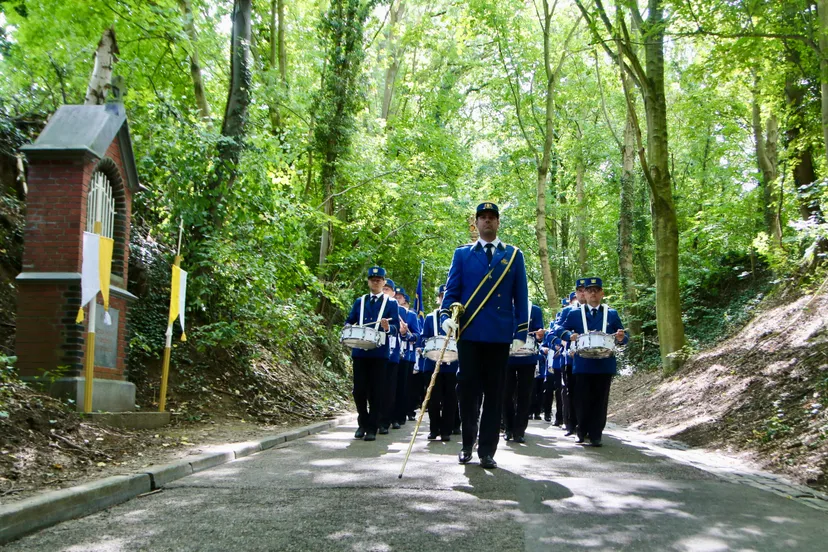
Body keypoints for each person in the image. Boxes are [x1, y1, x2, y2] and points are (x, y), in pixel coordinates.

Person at [441, 202, 529, 469]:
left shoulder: (513, 255)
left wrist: (520, 331)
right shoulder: (462, 254)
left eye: (492, 217)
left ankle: (488, 451)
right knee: (467, 391)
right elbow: (452, 291)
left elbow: (521, 296)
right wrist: (446, 317)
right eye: (483, 217)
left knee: (495, 394)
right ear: (476, 223)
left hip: (499, 335)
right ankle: (467, 444)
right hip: (469, 333)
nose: (487, 221)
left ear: (498, 223)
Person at [554, 277, 628, 447]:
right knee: (582, 398)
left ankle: (596, 434)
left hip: (604, 362)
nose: (593, 294)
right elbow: (558, 328)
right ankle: (581, 431)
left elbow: (623, 336)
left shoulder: (611, 314)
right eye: (589, 291)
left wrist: (621, 338)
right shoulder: (574, 314)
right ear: (584, 294)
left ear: (602, 293)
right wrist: (568, 335)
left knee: (600, 399)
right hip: (583, 363)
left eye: (596, 290)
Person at [344, 267, 400, 441]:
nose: (375, 282)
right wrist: (347, 326)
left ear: (384, 282)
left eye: (379, 280)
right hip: (360, 351)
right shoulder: (360, 301)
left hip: (379, 353)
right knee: (359, 391)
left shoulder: (391, 303)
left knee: (377, 391)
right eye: (372, 279)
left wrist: (388, 327)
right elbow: (350, 320)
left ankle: (372, 427)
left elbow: (396, 327)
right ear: (368, 281)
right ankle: (362, 421)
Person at [503, 303, 544, 443]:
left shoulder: (535, 310)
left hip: (528, 357)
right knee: (506, 394)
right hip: (506, 357)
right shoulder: (504, 305)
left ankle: (520, 430)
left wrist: (539, 335)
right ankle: (508, 428)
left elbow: (539, 334)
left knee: (524, 395)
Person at [419, 302, 459, 441]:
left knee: (450, 399)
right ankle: (434, 429)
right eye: (442, 297)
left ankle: (446, 430)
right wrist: (426, 345)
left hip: (452, 364)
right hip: (432, 364)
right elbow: (423, 337)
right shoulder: (430, 317)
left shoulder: (458, 318)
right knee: (433, 399)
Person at [379, 278, 403, 434]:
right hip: (376, 352)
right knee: (375, 388)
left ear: (393, 293)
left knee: (390, 390)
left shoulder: (400, 311)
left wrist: (405, 332)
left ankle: (387, 419)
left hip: (392, 354)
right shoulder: (373, 305)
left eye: (388, 289)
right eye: (384, 288)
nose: (384, 291)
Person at [394, 288, 420, 427]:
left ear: (405, 299)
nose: (398, 298)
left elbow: (417, 335)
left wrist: (407, 334)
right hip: (391, 354)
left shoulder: (411, 315)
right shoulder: (390, 311)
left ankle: (400, 416)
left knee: (403, 387)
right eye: (396, 296)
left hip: (406, 355)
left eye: (400, 297)